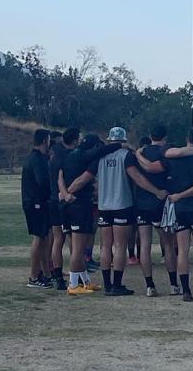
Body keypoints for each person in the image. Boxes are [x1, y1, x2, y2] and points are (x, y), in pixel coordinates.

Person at [65, 127, 167, 296]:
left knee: (105, 246)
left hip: (104, 207)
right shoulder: (126, 156)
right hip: (122, 205)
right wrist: (156, 191)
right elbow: (137, 177)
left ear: (109, 140)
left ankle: (107, 284)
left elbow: (84, 178)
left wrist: (66, 191)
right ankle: (117, 284)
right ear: (124, 140)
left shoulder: (99, 157)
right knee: (120, 246)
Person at [140, 126, 193, 302]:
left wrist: (138, 154)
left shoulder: (172, 156)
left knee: (182, 250)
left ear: (187, 138)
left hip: (180, 207)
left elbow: (153, 168)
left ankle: (186, 290)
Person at [58, 132, 110, 295]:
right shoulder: (89, 161)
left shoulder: (67, 156)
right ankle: (73, 285)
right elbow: (83, 180)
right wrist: (68, 193)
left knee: (76, 247)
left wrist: (64, 193)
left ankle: (85, 281)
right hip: (79, 205)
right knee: (79, 248)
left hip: (66, 206)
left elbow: (59, 176)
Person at [134, 125, 181, 296]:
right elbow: (155, 169)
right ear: (165, 137)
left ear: (150, 135)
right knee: (168, 244)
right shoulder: (167, 152)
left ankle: (149, 286)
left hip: (142, 202)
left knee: (145, 245)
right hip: (161, 202)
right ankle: (174, 284)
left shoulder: (140, 153)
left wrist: (138, 154)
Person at [48, 128, 81, 290]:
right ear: (74, 140)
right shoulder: (71, 156)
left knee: (57, 239)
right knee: (72, 239)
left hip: (53, 200)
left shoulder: (54, 157)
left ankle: (58, 276)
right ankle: (76, 275)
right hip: (66, 201)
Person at [21, 129, 53, 288]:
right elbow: (43, 182)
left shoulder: (36, 158)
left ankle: (46, 273)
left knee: (45, 238)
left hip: (37, 202)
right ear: (44, 141)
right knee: (39, 238)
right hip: (36, 203)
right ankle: (33, 276)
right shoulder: (37, 159)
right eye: (48, 140)